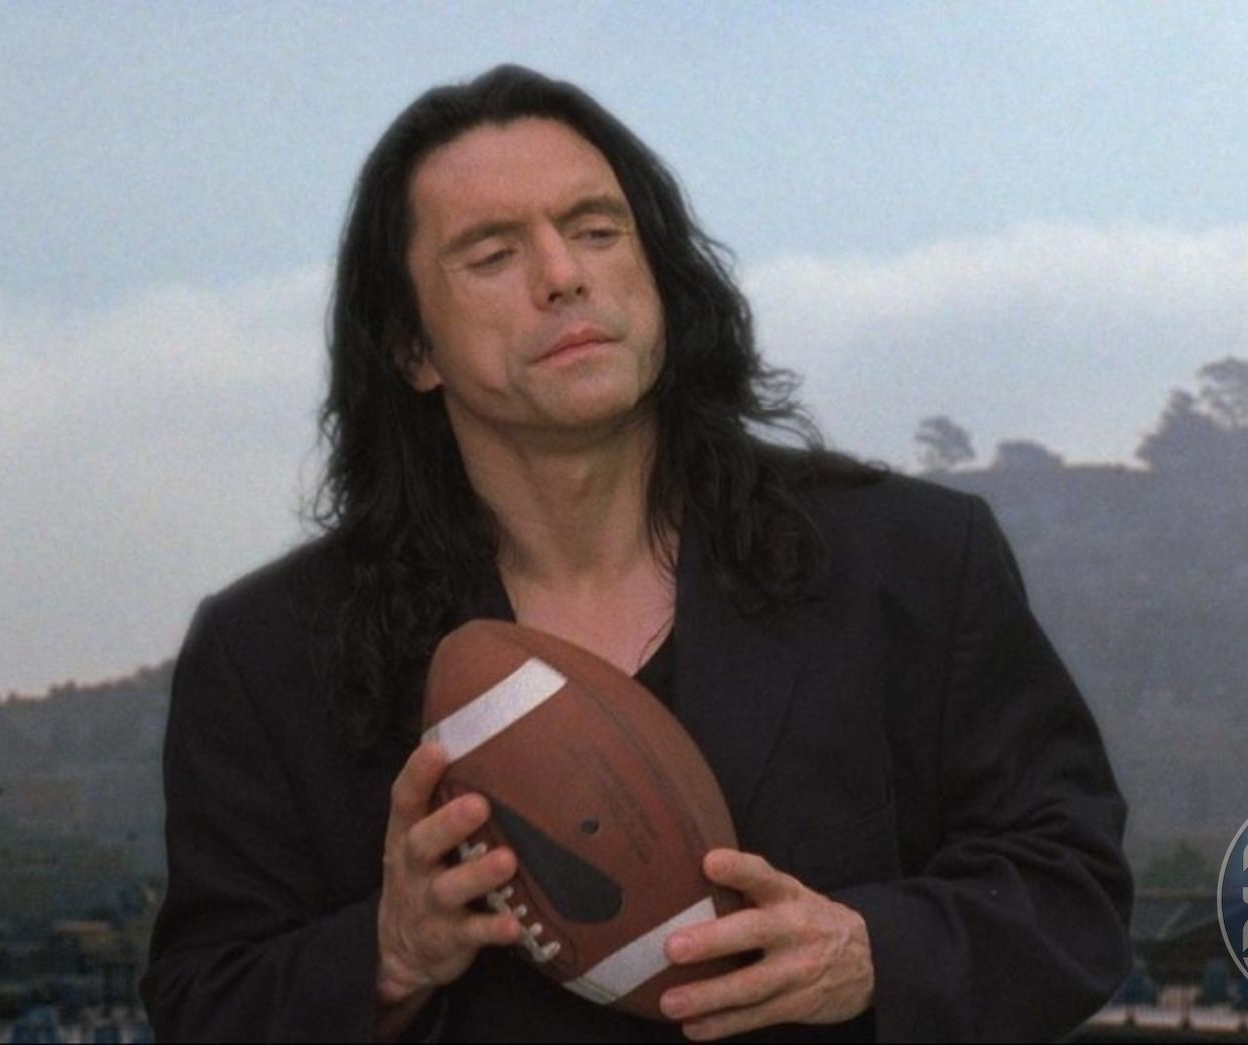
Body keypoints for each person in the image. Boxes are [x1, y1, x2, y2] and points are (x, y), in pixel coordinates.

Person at [140, 65, 1132, 1042]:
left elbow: (1071, 887)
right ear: (412, 348)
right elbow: (203, 999)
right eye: (492, 255)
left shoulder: (911, 561)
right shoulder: (268, 655)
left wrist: (874, 951)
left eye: (596, 231)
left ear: (658, 273)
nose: (562, 274)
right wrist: (388, 955)